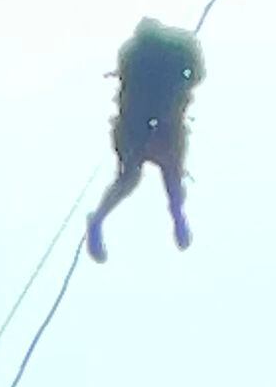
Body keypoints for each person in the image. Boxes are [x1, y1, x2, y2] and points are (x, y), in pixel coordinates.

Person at [86, 17, 204, 261]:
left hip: (156, 122)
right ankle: (99, 219)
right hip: (138, 125)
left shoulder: (175, 46)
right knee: (134, 175)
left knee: (160, 171)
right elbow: (129, 94)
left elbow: (197, 74)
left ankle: (177, 214)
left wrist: (181, 85)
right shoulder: (137, 53)